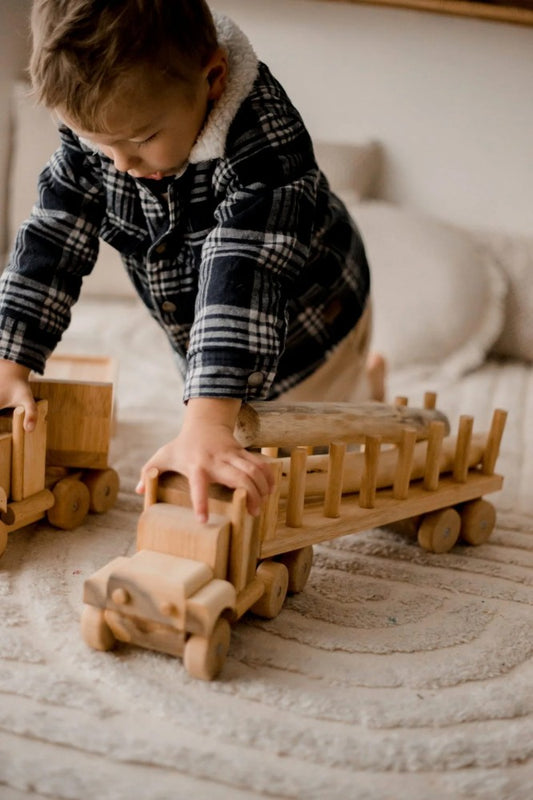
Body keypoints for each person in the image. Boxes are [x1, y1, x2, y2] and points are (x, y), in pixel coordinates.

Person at [0, 0, 384, 523]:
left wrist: (207, 422)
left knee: (312, 447)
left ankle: (366, 390)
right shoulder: (104, 135)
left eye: (142, 139)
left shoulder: (266, 148)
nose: (121, 164)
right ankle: (344, 385)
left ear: (214, 79)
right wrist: (10, 359)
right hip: (204, 322)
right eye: (98, 144)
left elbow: (242, 275)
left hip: (313, 322)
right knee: (231, 425)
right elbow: (52, 235)